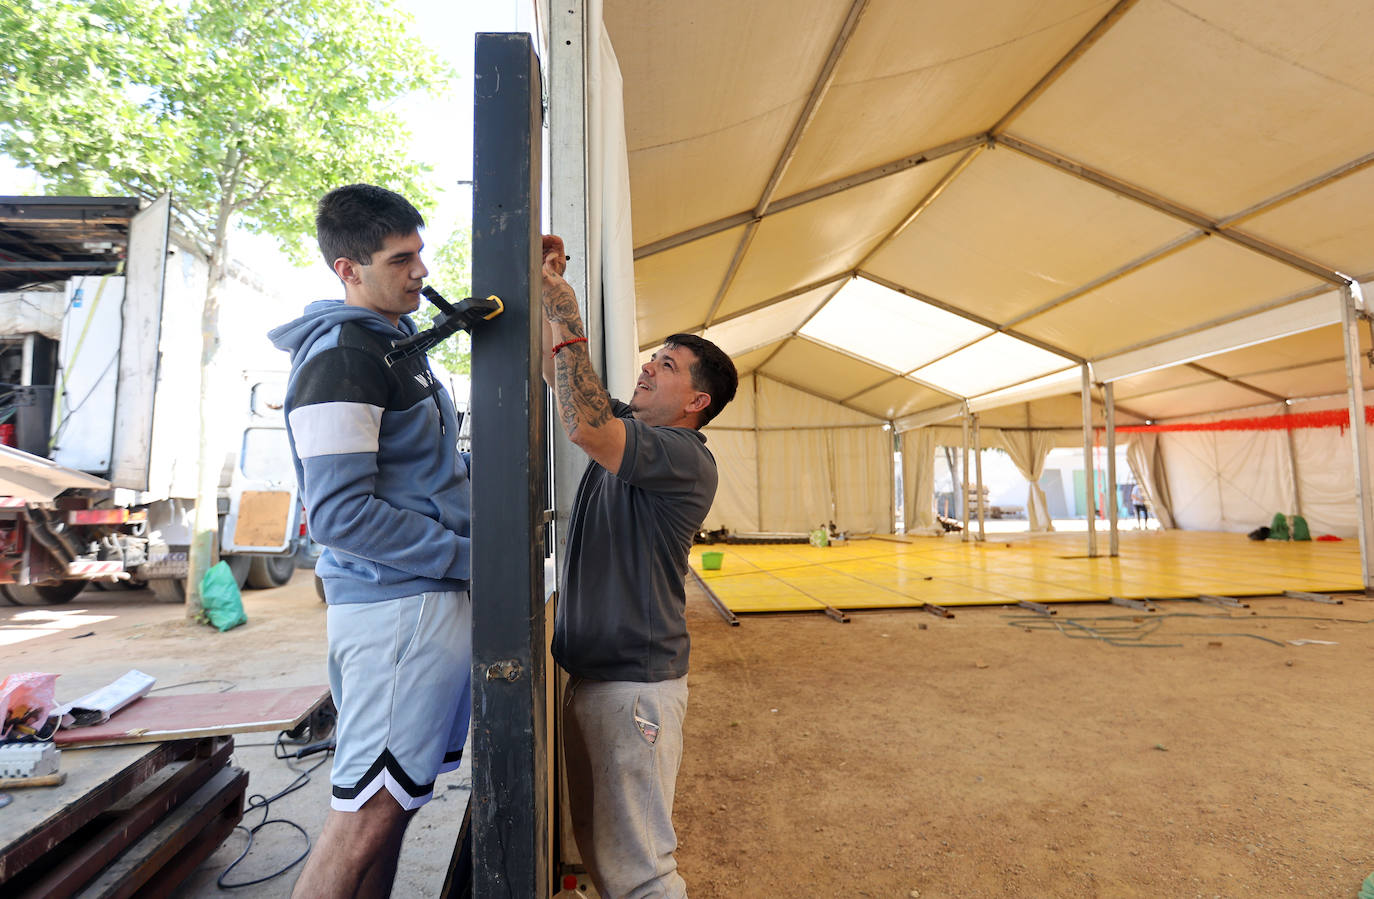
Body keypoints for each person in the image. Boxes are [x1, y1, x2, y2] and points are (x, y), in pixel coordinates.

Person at [268, 184, 472, 899]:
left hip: (418, 607)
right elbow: (340, 514)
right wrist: (475, 557)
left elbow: (424, 473)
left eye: (420, 254)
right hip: (396, 612)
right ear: (347, 269)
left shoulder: (395, 347)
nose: (420, 272)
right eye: (400, 259)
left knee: (394, 808)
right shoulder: (344, 358)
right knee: (363, 817)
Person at [540, 234, 738, 899]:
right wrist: (543, 286)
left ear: (695, 402)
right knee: (605, 860)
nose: (651, 366)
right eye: (655, 355)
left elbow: (583, 424)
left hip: (634, 690)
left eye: (669, 365)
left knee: (642, 874)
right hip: (599, 681)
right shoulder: (629, 430)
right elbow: (563, 382)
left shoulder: (683, 455)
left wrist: (567, 306)